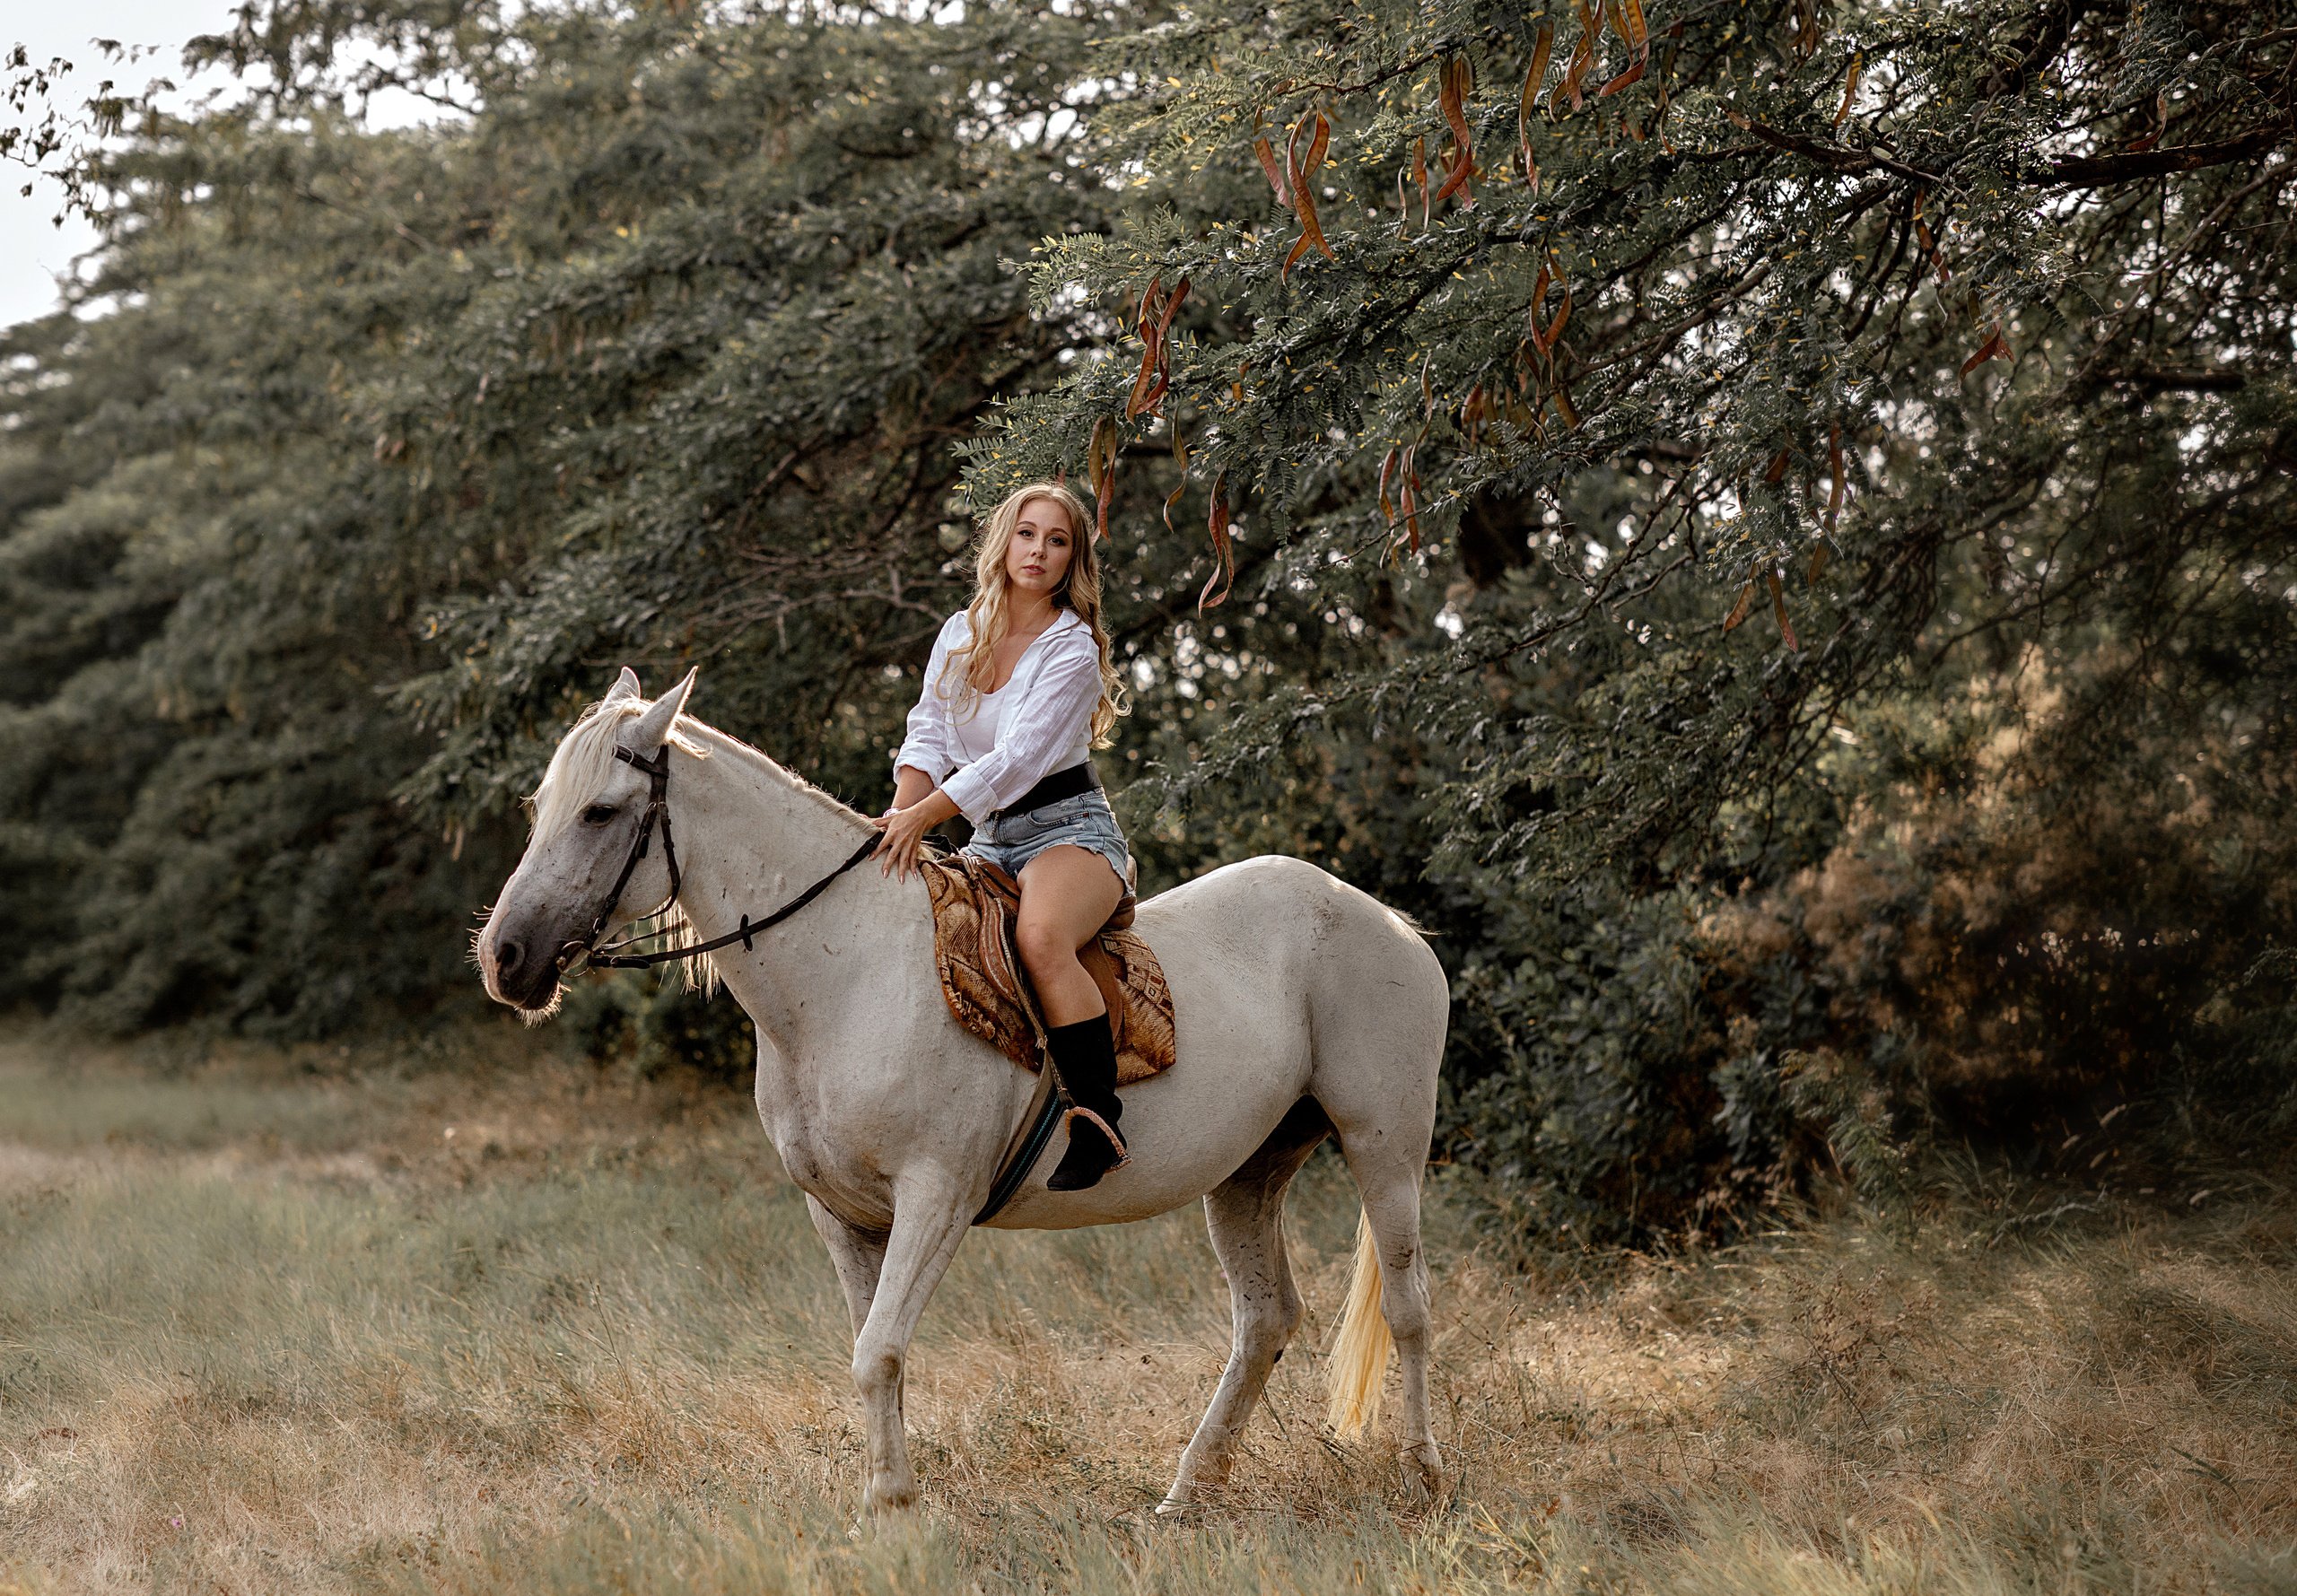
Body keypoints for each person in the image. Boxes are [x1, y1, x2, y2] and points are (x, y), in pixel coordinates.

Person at [873, 481, 1135, 1191]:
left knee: (1041, 939)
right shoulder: (961, 631)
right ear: (1005, 541)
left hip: (1070, 828)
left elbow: (1017, 760)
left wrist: (927, 819)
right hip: (989, 835)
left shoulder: (1072, 649)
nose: (1039, 551)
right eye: (1028, 534)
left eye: (1057, 541)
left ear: (1071, 560)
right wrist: (900, 818)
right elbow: (928, 731)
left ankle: (1099, 1120)